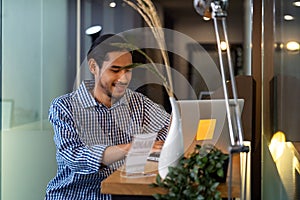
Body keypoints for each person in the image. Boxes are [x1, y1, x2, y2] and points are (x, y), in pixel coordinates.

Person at [45, 34, 171, 200]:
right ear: (93, 67)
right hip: (77, 195)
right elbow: (75, 158)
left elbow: (171, 130)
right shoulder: (64, 106)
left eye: (128, 70)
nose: (124, 78)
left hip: (122, 193)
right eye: (115, 70)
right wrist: (133, 147)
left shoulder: (137, 102)